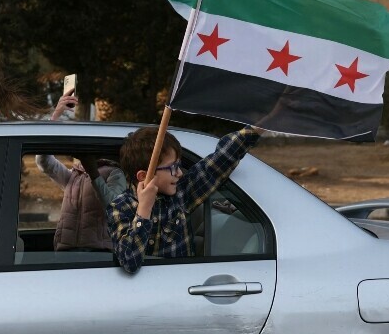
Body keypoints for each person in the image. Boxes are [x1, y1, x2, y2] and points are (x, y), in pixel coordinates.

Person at [107, 125, 262, 274]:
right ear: (143, 176)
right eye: (172, 167)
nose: (180, 173)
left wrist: (259, 128)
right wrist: (144, 210)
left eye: (179, 165)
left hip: (183, 285)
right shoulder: (120, 207)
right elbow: (129, 262)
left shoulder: (181, 194)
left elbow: (219, 161)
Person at [34, 93, 127, 251]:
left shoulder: (115, 173)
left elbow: (113, 207)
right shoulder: (74, 176)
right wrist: (55, 117)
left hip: (98, 254)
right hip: (66, 250)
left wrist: (93, 173)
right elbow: (44, 162)